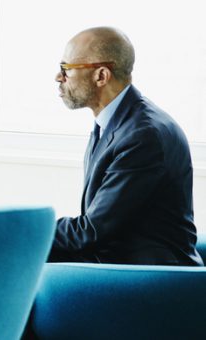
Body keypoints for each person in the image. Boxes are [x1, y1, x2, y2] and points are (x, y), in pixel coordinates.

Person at [50, 27, 202, 266]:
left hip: (149, 277)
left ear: (101, 76)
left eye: (66, 69)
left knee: (16, 259)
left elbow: (91, 232)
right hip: (117, 259)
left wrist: (30, 231)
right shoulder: (117, 122)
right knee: (17, 261)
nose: (58, 78)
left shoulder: (143, 136)